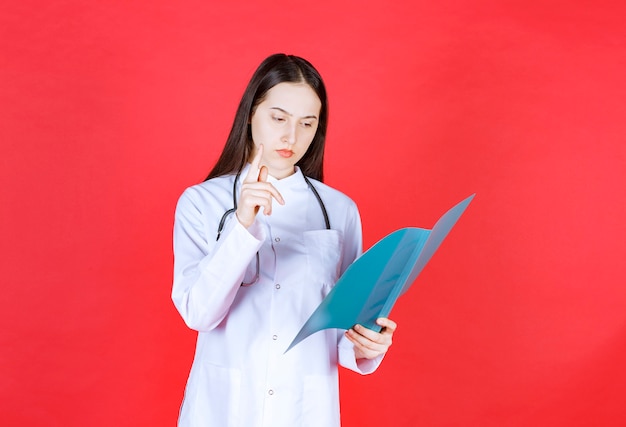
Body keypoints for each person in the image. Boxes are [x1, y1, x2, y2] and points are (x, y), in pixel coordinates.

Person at [172, 53, 397, 427]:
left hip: (305, 410)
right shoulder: (201, 202)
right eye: (278, 118)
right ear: (250, 114)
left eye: (307, 123)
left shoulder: (339, 211)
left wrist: (366, 343)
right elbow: (199, 313)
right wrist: (242, 225)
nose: (291, 137)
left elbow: (344, 325)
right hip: (224, 408)